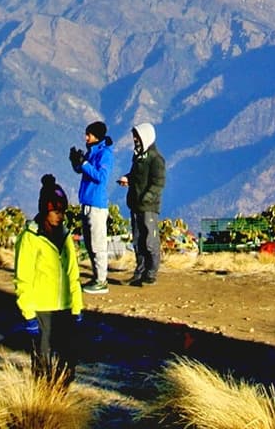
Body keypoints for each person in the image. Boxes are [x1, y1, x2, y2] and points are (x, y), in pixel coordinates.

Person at [14, 174, 84, 382]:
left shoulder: (65, 237)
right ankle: (44, 404)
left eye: (62, 211)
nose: (59, 216)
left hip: (65, 308)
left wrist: (77, 307)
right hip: (41, 309)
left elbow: (73, 274)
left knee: (67, 365)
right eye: (55, 211)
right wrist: (28, 313)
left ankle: (62, 402)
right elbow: (22, 278)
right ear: (45, 210)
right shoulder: (29, 238)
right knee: (43, 365)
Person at [68, 120, 119, 292]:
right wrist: (76, 162)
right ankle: (96, 277)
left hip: (97, 205)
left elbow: (101, 177)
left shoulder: (105, 154)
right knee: (90, 244)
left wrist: (84, 164)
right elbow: (84, 171)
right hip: (87, 203)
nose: (85, 137)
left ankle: (102, 281)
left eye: (88, 134)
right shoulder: (93, 152)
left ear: (96, 136)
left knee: (98, 244)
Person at [118, 122, 165, 287]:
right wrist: (127, 179)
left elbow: (158, 183)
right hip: (135, 205)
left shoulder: (156, 159)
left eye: (137, 136)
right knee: (138, 240)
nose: (135, 140)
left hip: (148, 207)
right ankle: (139, 273)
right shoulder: (138, 157)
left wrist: (146, 198)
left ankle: (151, 273)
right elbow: (135, 176)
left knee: (150, 241)